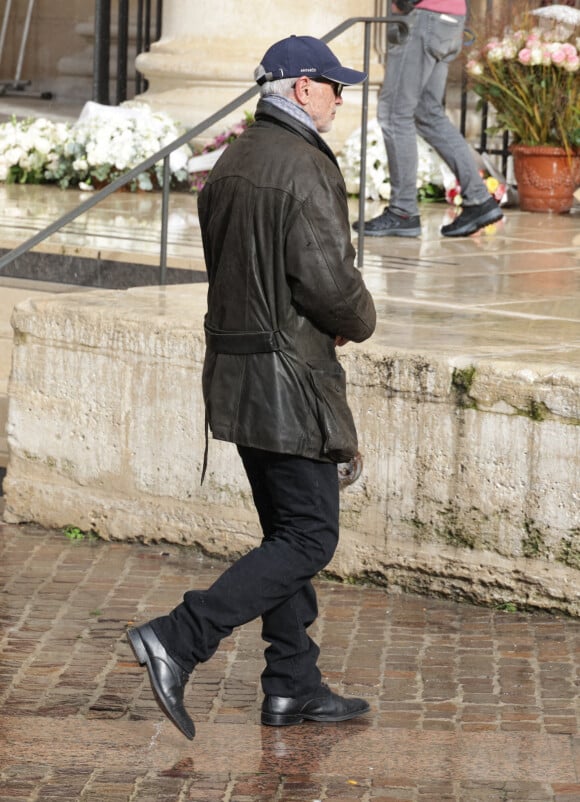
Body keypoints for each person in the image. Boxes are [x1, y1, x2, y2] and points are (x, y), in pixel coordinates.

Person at [127, 35, 377, 740]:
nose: (338, 96)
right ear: (301, 88)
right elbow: (330, 283)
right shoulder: (301, 166)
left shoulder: (233, 158)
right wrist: (361, 318)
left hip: (239, 375)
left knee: (285, 532)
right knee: (309, 538)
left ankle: (291, 686)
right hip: (289, 380)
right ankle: (180, 637)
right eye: (332, 85)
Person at [355, 0, 503, 238]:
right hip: (448, 18)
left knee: (394, 113)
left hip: (425, 16)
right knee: (427, 113)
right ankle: (479, 199)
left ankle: (403, 212)